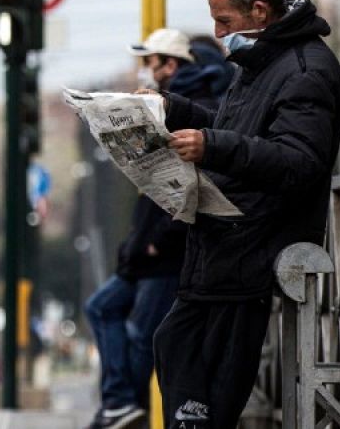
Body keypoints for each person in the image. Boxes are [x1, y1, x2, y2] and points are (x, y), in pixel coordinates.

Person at [152, 0, 340, 429]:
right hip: (223, 244)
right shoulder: (260, 63)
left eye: (225, 21)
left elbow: (299, 161)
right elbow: (236, 129)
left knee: (206, 392)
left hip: (254, 249)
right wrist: (172, 109)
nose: (218, 34)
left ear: (259, 11)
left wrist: (212, 146)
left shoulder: (306, 70)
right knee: (175, 345)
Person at [83, 28, 222, 429]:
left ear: (171, 64)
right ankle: (120, 404)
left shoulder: (197, 105)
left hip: (164, 253)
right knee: (104, 309)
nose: (146, 70)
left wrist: (157, 242)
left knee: (143, 337)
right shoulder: (168, 100)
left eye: (151, 62)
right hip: (146, 249)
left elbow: (195, 183)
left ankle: (125, 406)